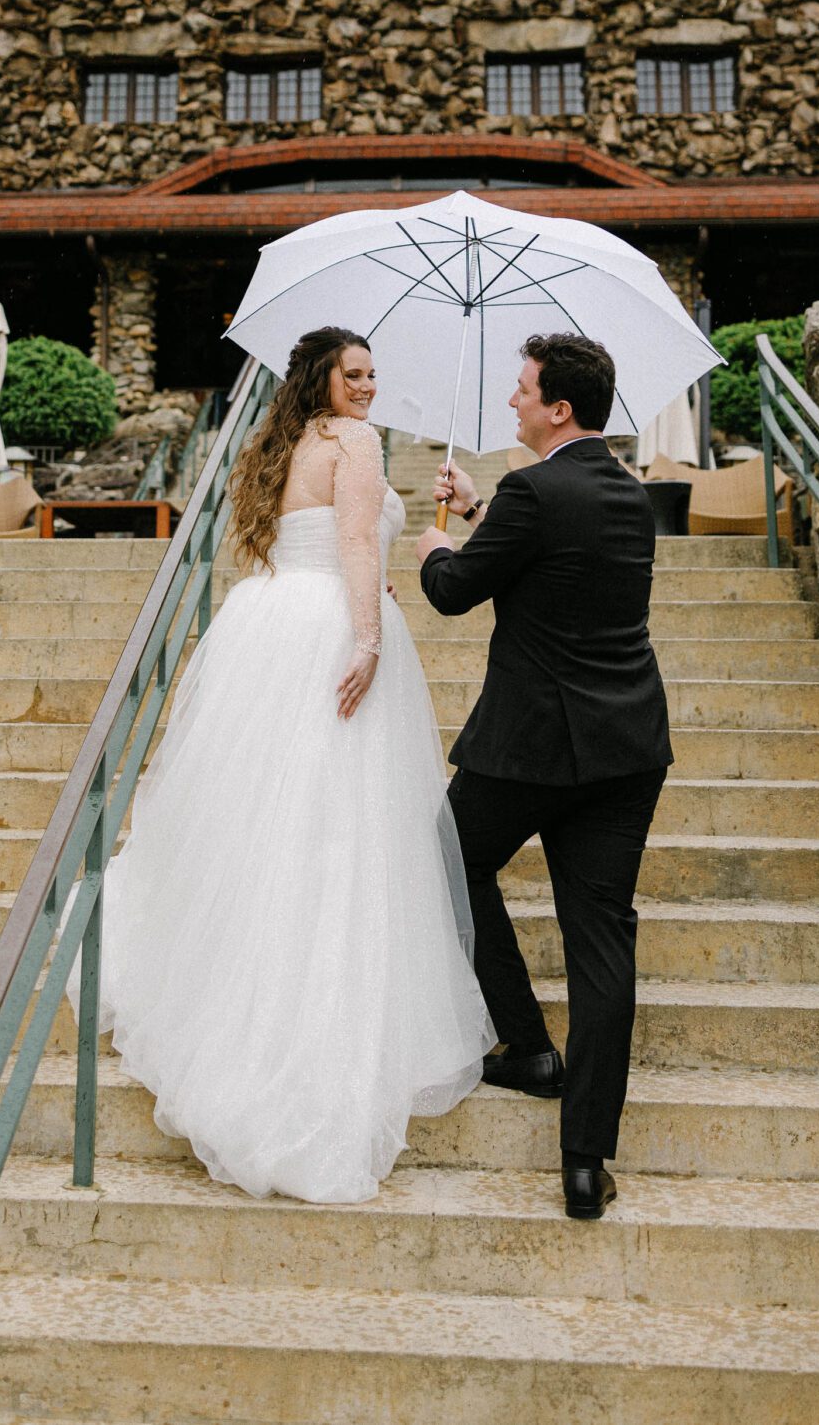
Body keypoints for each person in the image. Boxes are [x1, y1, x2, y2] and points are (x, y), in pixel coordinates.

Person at [76, 326, 493, 1204]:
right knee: (335, 822)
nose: (370, 387)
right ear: (324, 378)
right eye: (355, 374)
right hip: (328, 629)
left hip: (263, 623)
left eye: (376, 374)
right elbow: (352, 545)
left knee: (262, 813)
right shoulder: (356, 442)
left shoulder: (284, 441)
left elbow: (312, 539)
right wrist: (370, 636)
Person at [416, 331, 671, 1221]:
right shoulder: (631, 496)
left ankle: (525, 1044)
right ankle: (585, 1162)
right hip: (626, 748)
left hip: (528, 749)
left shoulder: (533, 490)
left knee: (449, 856)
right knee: (602, 942)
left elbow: (453, 593)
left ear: (560, 407)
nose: (513, 402)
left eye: (522, 390)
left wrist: (434, 547)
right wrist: (490, 514)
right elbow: (557, 566)